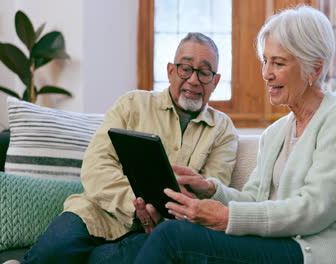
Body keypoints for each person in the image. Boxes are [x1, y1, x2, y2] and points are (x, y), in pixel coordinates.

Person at [132, 5, 336, 264]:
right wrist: (208, 189)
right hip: (276, 245)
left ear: (315, 69)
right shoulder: (276, 133)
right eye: (265, 61)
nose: (266, 74)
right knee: (168, 231)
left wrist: (226, 218)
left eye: (278, 63)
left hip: (316, 253)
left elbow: (314, 209)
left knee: (173, 237)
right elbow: (253, 200)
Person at [20, 32, 238, 264]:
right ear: (171, 71)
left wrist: (164, 215)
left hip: (157, 230)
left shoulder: (222, 129)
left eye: (204, 72)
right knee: (51, 253)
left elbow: (213, 193)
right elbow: (96, 166)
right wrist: (136, 206)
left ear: (215, 81)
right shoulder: (132, 104)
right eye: (185, 68)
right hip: (96, 210)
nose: (194, 80)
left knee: (103, 260)